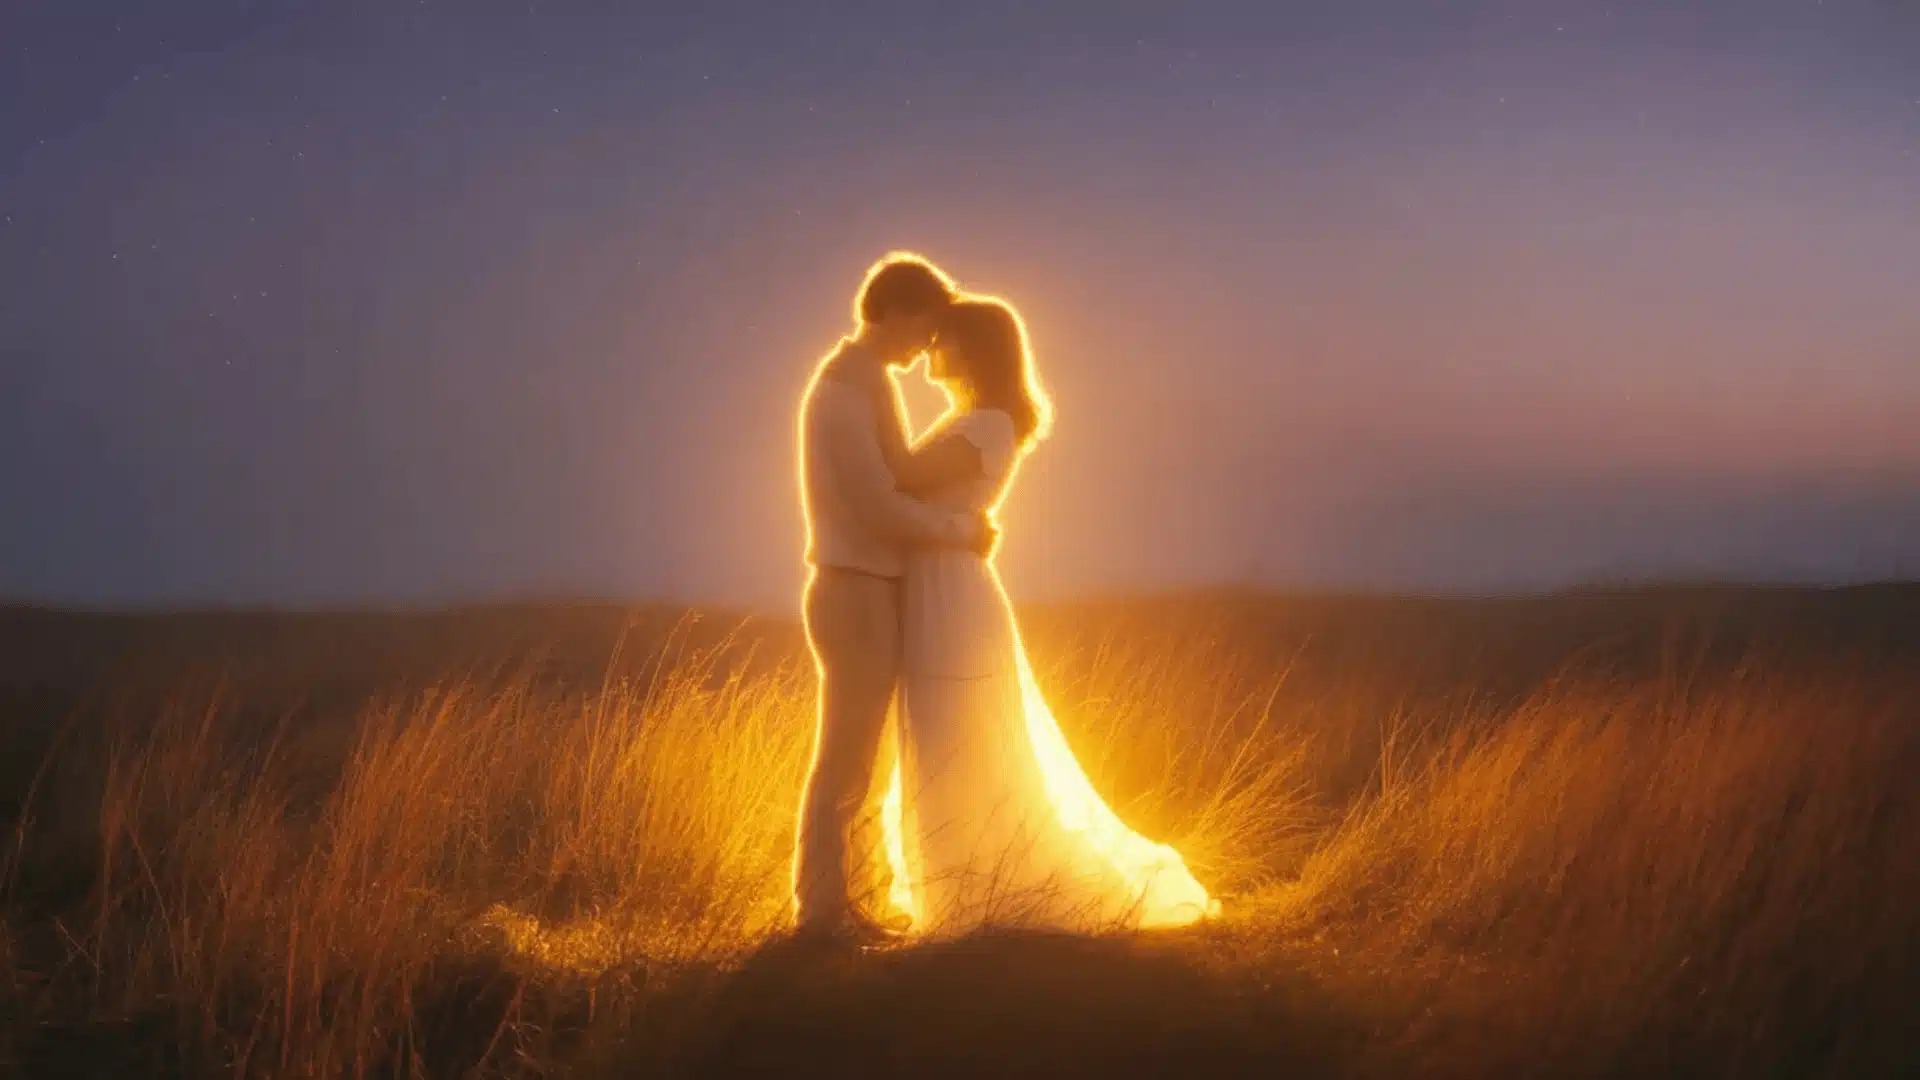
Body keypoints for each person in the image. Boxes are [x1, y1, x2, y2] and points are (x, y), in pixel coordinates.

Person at [881, 296, 1215, 937]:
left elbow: (898, 474)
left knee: (961, 741)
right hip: (936, 586)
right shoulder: (970, 418)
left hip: (954, 597)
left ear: (974, 348)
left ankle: (976, 897)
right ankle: (952, 895)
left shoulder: (988, 424)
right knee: (937, 740)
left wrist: (864, 393)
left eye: (942, 339)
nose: (930, 349)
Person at [792, 252, 995, 944]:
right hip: (852, 588)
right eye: (926, 327)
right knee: (845, 758)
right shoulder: (845, 389)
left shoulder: (867, 380)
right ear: (898, 311)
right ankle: (820, 915)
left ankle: (853, 904)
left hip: (866, 585)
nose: (927, 345)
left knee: (863, 762)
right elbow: (879, 505)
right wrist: (960, 530)